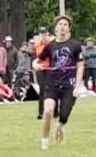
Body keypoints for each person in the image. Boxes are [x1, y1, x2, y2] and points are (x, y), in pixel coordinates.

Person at [35, 15, 85, 149]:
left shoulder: (75, 45)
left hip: (69, 84)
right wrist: (36, 65)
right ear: (56, 28)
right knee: (47, 111)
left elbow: (80, 66)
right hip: (52, 82)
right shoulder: (50, 46)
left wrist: (78, 85)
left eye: (65, 25)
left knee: (63, 116)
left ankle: (60, 126)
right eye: (60, 24)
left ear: (69, 29)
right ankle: (44, 140)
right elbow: (37, 61)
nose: (62, 27)